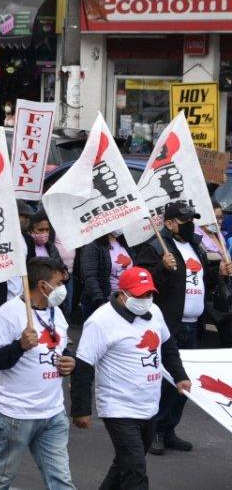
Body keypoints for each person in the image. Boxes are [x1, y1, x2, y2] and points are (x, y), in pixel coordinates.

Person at [70, 266, 191, 489]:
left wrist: (180, 376)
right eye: (139, 295)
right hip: (119, 408)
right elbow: (84, 366)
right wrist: (81, 409)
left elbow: (168, 345)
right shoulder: (100, 321)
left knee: (126, 464)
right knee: (135, 471)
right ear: (122, 293)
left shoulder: (154, 311)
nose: (146, 299)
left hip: (149, 404)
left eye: (149, 293)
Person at [0, 257, 76, 490]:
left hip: (53, 414)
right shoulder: (8, 314)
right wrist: (19, 346)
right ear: (43, 286)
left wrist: (69, 361)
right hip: (17, 415)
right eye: (59, 283)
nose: (63, 288)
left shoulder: (56, 313)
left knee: (61, 481)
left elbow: (62, 346)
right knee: (1, 479)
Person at [142, 202, 229, 455]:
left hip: (193, 325)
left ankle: (169, 429)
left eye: (191, 219)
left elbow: (200, 280)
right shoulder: (157, 247)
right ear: (168, 223)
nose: (189, 224)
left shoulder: (194, 246)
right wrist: (161, 267)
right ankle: (155, 430)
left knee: (184, 383)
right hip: (171, 326)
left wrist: (219, 273)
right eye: (184, 220)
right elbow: (142, 281)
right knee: (169, 380)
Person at [80, 231, 136, 320]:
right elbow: (90, 276)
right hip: (104, 302)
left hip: (125, 300)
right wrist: (101, 302)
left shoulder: (124, 242)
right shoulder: (92, 246)